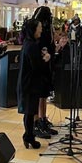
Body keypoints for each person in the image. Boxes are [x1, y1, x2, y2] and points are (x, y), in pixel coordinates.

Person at [17, 18, 52, 149]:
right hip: (29, 83)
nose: (41, 30)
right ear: (34, 29)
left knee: (30, 111)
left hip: (29, 82)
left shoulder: (29, 43)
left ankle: (29, 136)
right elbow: (36, 66)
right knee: (29, 111)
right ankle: (28, 136)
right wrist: (46, 58)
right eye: (39, 28)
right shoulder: (31, 45)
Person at [32, 6, 57, 138]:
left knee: (44, 94)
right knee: (38, 94)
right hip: (39, 65)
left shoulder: (48, 28)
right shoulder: (36, 29)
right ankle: (36, 122)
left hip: (47, 65)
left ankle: (43, 119)